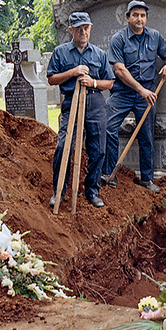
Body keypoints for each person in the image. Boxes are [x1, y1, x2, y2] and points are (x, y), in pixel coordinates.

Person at [101, 0, 166, 193]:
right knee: (108, 127)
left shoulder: (155, 37)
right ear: (127, 18)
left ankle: (147, 179)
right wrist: (140, 90)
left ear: (146, 18)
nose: (139, 19)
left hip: (148, 93)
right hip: (123, 92)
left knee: (147, 135)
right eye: (135, 15)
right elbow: (119, 69)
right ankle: (109, 174)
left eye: (142, 15)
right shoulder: (118, 39)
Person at [47, 12, 114, 208]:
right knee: (63, 146)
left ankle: (92, 191)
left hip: (94, 103)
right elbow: (51, 79)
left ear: (90, 29)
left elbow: (109, 83)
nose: (83, 32)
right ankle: (59, 191)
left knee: (98, 148)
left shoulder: (99, 54)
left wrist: (93, 82)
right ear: (71, 31)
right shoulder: (61, 52)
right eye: (78, 29)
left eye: (86, 28)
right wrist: (73, 72)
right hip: (71, 101)